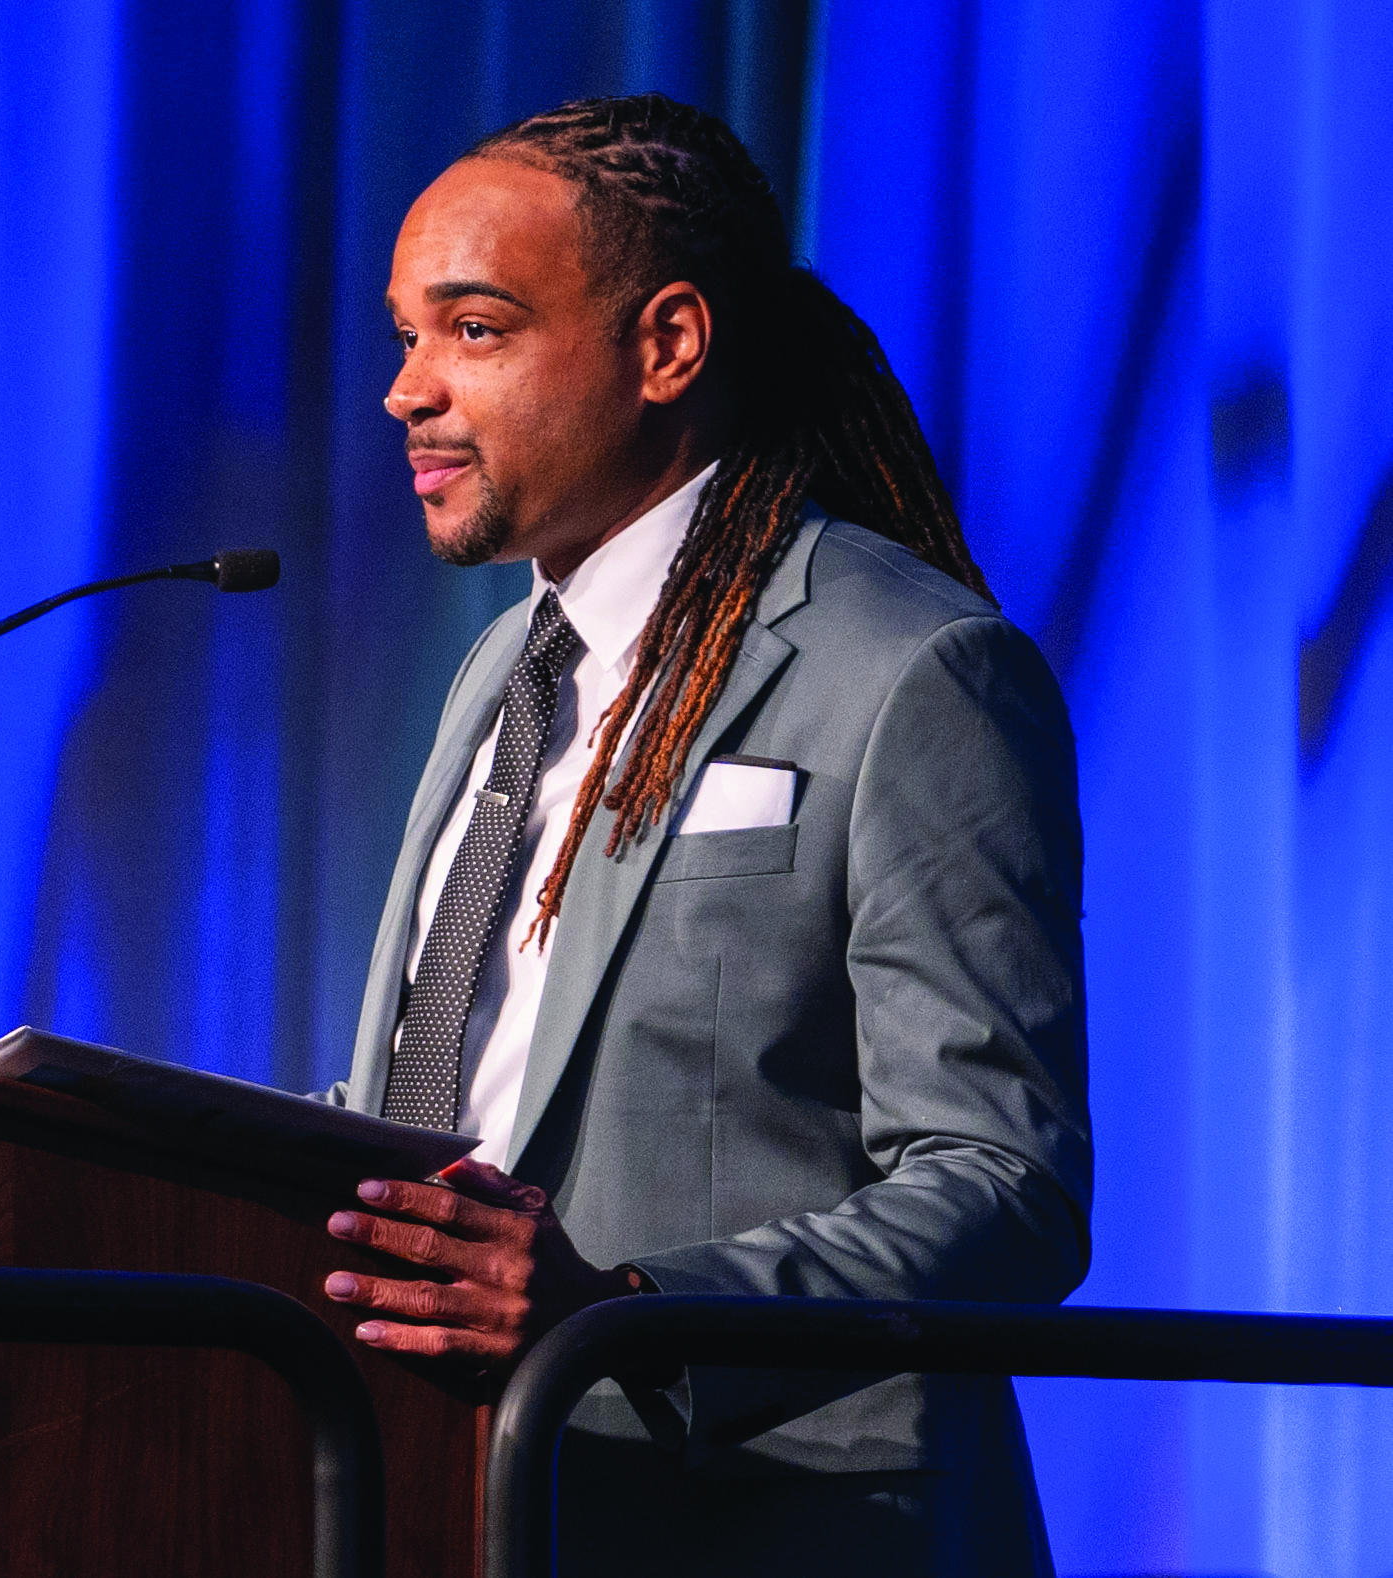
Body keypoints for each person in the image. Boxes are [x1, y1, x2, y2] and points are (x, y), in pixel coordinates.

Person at [316, 95, 1090, 1574]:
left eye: (473, 329)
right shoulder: (502, 672)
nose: (407, 389)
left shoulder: (911, 670)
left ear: (666, 345)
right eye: (407, 336)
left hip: (784, 1530)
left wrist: (627, 1313)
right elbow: (459, 1098)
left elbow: (1003, 1187)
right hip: (479, 1507)